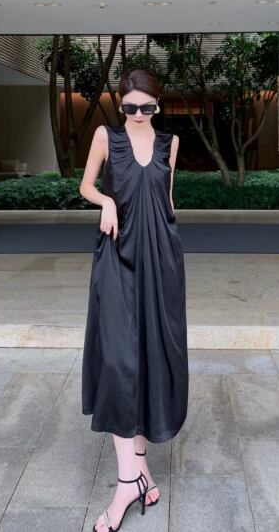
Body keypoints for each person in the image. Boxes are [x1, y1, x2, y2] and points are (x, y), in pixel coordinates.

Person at [79, 68, 189, 532]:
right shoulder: (106, 136)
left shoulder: (170, 144)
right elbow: (86, 185)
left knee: (151, 358)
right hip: (117, 257)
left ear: (158, 105)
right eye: (130, 107)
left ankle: (139, 473)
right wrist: (105, 201)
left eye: (147, 107)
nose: (139, 114)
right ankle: (127, 482)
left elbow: (167, 199)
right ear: (119, 104)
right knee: (117, 360)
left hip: (161, 260)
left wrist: (171, 256)